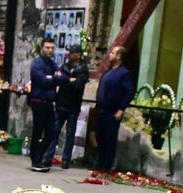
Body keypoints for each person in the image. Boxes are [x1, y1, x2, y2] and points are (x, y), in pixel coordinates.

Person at [93, 45, 132, 173]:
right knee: (100, 138)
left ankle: (106, 166)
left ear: (119, 56)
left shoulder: (123, 73)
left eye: (113, 53)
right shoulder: (109, 71)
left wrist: (121, 109)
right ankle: (99, 164)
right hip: (101, 111)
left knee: (109, 140)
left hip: (112, 112)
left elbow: (129, 92)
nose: (110, 54)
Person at [50, 44, 87, 168]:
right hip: (61, 104)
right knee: (54, 131)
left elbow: (78, 85)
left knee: (70, 134)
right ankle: (48, 156)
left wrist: (66, 81)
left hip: (73, 106)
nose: (69, 54)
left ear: (78, 54)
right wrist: (69, 80)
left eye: (72, 52)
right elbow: (56, 78)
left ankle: (66, 159)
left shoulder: (82, 68)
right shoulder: (65, 66)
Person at [27, 36, 56, 171]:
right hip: (38, 101)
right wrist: (53, 78)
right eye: (47, 48)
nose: (50, 50)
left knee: (51, 132)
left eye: (52, 48)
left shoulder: (52, 64)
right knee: (38, 131)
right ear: (42, 48)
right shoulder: (37, 64)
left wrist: (53, 77)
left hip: (49, 102)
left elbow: (60, 77)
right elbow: (42, 81)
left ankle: (41, 156)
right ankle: (35, 159)